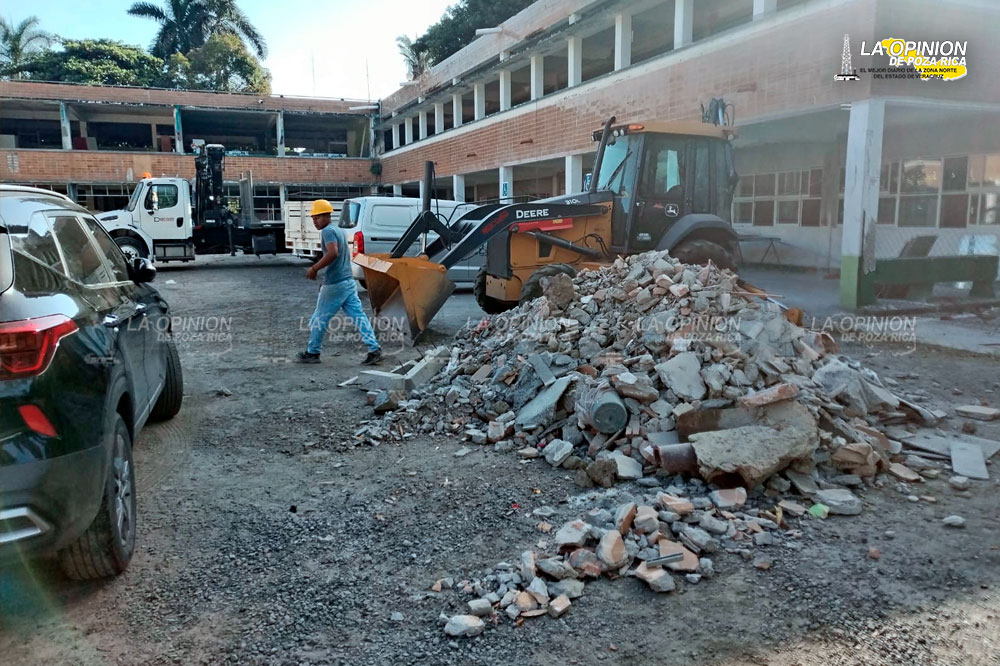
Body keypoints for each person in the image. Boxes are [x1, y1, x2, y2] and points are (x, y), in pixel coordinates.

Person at [296, 199, 382, 365]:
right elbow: (338, 256)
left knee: (319, 318)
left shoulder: (327, 231)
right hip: (347, 282)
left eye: (318, 217)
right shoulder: (339, 230)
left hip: (336, 284)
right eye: (313, 218)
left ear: (327, 216)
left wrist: (314, 269)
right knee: (359, 317)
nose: (315, 221)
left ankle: (313, 352)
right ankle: (374, 349)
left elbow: (333, 253)